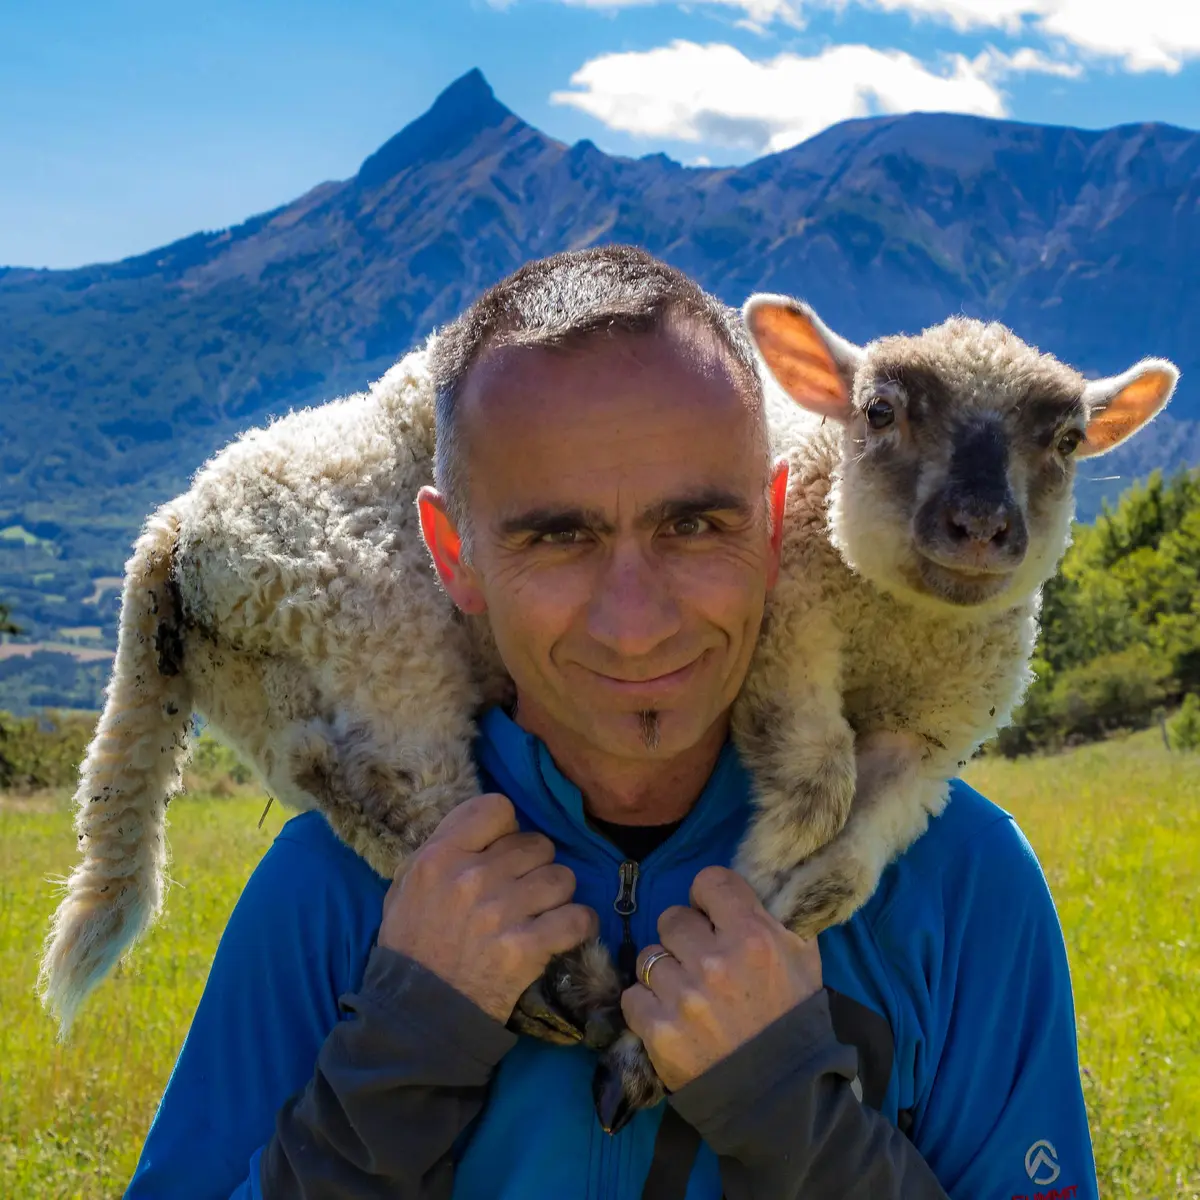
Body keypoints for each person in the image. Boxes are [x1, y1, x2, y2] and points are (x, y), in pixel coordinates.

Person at [126, 246, 1099, 1199]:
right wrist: (399, 1054)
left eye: (694, 527)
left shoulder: (958, 890)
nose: (636, 624)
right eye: (559, 538)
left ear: (770, 524)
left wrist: (794, 1114)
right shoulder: (332, 896)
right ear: (452, 555)